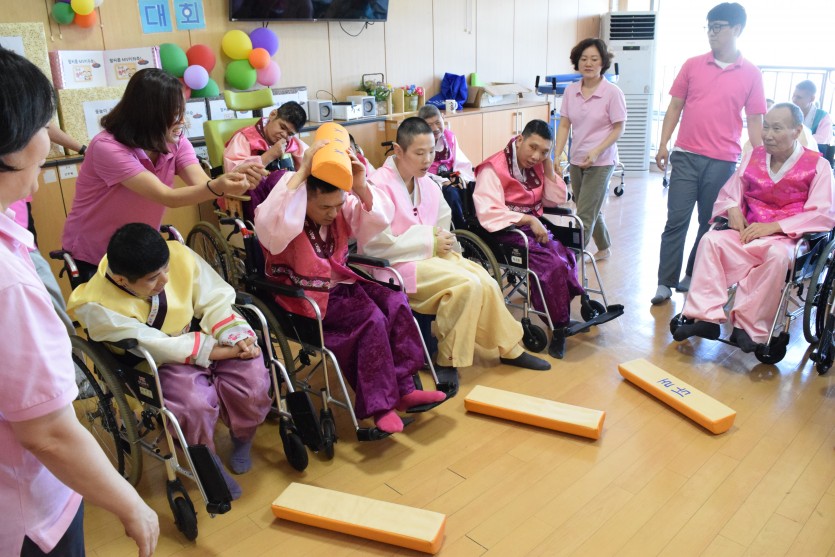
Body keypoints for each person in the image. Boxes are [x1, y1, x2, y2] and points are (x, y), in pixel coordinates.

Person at [0, 47, 158, 557]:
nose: (50, 139)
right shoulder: (11, 286)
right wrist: (131, 504)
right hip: (27, 513)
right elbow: (47, 434)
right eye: (41, 126)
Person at [254, 140, 447, 434]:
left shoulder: (338, 205)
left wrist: (360, 185)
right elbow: (269, 226)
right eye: (324, 207)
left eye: (337, 205)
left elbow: (376, 220)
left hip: (341, 285)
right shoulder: (287, 208)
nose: (333, 213)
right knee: (371, 319)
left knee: (395, 301)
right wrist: (303, 170)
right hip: (305, 298)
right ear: (305, 197)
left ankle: (405, 388)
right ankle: (380, 406)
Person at [67, 223, 272, 499]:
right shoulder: (96, 304)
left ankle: (243, 436)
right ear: (122, 281)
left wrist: (236, 337)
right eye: (153, 278)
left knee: (253, 376)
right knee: (192, 403)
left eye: (166, 269)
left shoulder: (178, 255)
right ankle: (208, 462)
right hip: (159, 362)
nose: (165, 279)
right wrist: (217, 351)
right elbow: (153, 344)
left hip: (205, 337)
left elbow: (215, 299)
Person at [362, 117, 551, 380]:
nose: (427, 160)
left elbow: (442, 227)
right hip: (397, 266)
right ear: (398, 150)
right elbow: (374, 245)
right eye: (419, 153)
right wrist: (431, 241)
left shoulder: (427, 183)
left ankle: (510, 348)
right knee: (467, 285)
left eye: (431, 151)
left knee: (486, 280)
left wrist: (446, 243)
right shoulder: (377, 185)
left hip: (431, 256)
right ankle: (448, 360)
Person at [61, 68, 265, 280]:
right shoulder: (107, 148)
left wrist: (233, 180)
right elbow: (168, 197)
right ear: (149, 114)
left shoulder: (176, 142)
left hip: (138, 251)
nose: (182, 120)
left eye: (182, 111)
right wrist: (219, 186)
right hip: (95, 253)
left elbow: (202, 184)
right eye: (175, 113)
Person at [673, 103, 835, 351]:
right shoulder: (752, 157)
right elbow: (730, 192)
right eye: (765, 127)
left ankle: (748, 327)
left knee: (777, 256)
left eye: (776, 128)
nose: (767, 135)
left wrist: (774, 227)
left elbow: (823, 213)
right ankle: (705, 318)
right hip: (747, 231)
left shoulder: (817, 165)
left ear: (796, 130)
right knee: (711, 241)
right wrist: (732, 208)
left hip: (787, 238)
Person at [652, 2, 767, 305]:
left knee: (709, 223)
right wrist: (663, 143)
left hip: (723, 161)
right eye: (709, 27)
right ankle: (664, 282)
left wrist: (760, 163)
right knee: (676, 220)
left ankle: (693, 273)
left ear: (737, 29)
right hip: (685, 155)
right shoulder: (692, 64)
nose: (712, 33)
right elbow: (674, 107)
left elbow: (755, 121)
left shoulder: (752, 73)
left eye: (718, 27)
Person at [473, 119, 585, 359]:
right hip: (506, 231)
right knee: (551, 265)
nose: (536, 156)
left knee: (565, 256)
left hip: (533, 227)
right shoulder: (493, 168)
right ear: (520, 139)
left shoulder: (539, 165)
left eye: (544, 152)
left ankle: (562, 316)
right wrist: (528, 220)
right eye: (533, 147)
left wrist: (548, 166)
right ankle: (558, 327)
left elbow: (554, 199)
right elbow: (488, 212)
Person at [554, 38, 626, 261]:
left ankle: (570, 263)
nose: (588, 63)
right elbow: (564, 124)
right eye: (584, 58)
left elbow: (619, 128)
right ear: (577, 61)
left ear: (603, 62)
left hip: (601, 162)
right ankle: (604, 248)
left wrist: (596, 151)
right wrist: (556, 155)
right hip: (577, 159)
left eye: (594, 59)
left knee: (584, 215)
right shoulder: (571, 91)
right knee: (588, 206)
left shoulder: (612, 92)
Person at [222, 101, 308, 220]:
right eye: (282, 127)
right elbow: (233, 174)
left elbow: (308, 163)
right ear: (272, 115)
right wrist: (269, 156)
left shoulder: (292, 143)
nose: (284, 135)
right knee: (267, 180)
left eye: (290, 133)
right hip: (253, 200)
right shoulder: (245, 138)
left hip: (284, 202)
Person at [417, 104, 476, 230]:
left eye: (438, 122)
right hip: (429, 180)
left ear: (443, 118)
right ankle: (460, 230)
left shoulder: (450, 137)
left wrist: (458, 176)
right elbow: (418, 170)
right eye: (429, 125)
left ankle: (474, 225)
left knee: (472, 186)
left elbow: (461, 163)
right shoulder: (419, 143)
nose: (435, 128)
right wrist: (442, 181)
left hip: (450, 176)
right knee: (450, 193)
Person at [792, 80, 833, 156]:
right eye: (793, 96)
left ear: (812, 99)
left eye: (798, 97)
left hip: (813, 156)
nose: (794, 100)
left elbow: (822, 141)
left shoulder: (823, 116)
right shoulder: (789, 113)